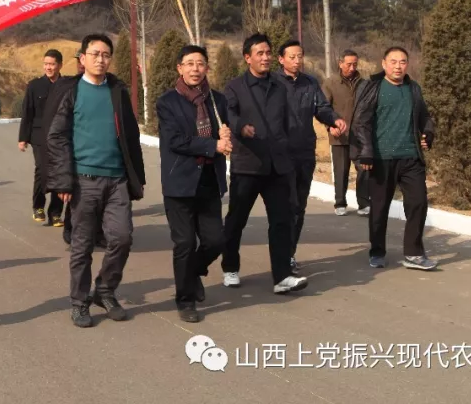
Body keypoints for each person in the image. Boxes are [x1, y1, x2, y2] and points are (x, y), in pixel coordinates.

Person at [46, 34, 145, 328]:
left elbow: (131, 136)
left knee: (122, 238)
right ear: (82, 58)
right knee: (82, 246)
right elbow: (56, 137)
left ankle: (104, 289)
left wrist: (136, 177)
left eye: (106, 54)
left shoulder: (117, 91)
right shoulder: (71, 91)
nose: (101, 59)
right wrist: (63, 182)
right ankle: (79, 302)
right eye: (95, 54)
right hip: (83, 180)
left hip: (117, 181)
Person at [219, 34, 308, 295]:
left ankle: (282, 276)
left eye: (268, 52)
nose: (266, 57)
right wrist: (239, 128)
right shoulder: (235, 87)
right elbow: (228, 113)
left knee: (281, 221)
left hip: (278, 165)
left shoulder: (280, 86)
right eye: (260, 53)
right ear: (248, 57)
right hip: (248, 164)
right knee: (237, 220)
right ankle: (230, 267)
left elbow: (288, 121)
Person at [156, 45, 232, 323]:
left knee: (215, 241)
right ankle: (185, 299)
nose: (195, 69)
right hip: (180, 183)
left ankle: (193, 272)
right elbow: (176, 141)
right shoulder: (167, 102)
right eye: (189, 63)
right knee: (185, 243)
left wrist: (227, 132)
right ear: (179, 68)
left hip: (209, 182)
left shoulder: (217, 101)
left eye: (200, 63)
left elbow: (227, 131)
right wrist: (214, 144)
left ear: (207, 68)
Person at [351, 46, 438, 271]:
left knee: (418, 202)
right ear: (383, 64)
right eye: (393, 62)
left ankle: (414, 253)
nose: (398, 66)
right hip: (381, 158)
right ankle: (377, 251)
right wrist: (366, 152)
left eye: (402, 62)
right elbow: (361, 122)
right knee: (379, 208)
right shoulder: (373, 88)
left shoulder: (413, 89)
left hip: (411, 158)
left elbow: (425, 117)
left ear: (407, 64)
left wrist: (428, 133)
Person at [277, 40, 346, 272]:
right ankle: (280, 253)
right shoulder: (273, 83)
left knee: (298, 206)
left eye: (300, 56)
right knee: (283, 207)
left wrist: (333, 119)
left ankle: (288, 254)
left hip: (305, 152)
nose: (297, 61)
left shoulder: (310, 83)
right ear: (281, 59)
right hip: (279, 154)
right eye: (292, 57)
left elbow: (322, 108)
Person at [18, 49, 65, 226]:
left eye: (52, 64)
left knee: (60, 172)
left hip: (61, 136)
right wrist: (23, 138)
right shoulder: (34, 85)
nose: (48, 67)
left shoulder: (67, 85)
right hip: (39, 136)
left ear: (59, 65)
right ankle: (38, 206)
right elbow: (27, 112)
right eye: (46, 64)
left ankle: (56, 212)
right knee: (43, 170)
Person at [322, 50, 370, 217]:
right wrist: (330, 126)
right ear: (340, 63)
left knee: (364, 169)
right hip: (339, 135)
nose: (352, 67)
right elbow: (323, 108)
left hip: (360, 136)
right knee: (341, 171)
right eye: (348, 64)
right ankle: (340, 203)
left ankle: (364, 203)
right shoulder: (330, 83)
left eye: (355, 64)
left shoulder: (364, 84)